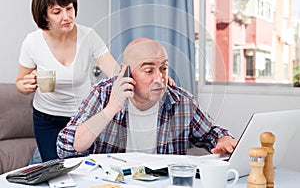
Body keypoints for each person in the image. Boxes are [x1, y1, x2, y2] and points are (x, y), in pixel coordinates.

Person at [57, 38, 237, 158]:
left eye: (164, 69)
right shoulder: (103, 94)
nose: (159, 79)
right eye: (149, 70)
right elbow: (66, 147)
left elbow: (211, 133)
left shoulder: (180, 101)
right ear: (125, 71)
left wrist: (224, 140)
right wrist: (112, 107)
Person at [15, 0, 119, 162]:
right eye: (57, 12)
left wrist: (150, 77)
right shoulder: (32, 42)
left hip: (83, 117)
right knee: (55, 169)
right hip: (46, 119)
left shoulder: (88, 36)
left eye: (69, 8)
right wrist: (27, 85)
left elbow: (115, 72)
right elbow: (20, 83)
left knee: (82, 167)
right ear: (45, 16)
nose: (67, 16)